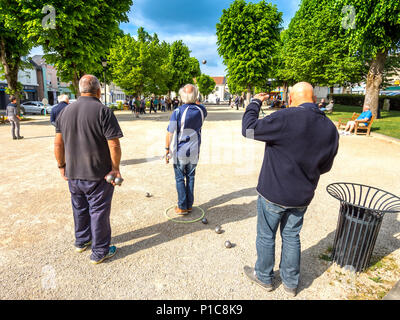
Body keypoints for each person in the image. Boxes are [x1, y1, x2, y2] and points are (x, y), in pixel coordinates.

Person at [242, 82, 339, 296]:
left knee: (267, 235)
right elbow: (326, 166)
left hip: (274, 191)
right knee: (292, 236)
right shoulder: (330, 128)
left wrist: (255, 102)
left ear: (292, 99)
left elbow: (247, 129)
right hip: (302, 193)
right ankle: (290, 283)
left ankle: (265, 277)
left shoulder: (285, 117)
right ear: (313, 99)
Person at [54, 74, 123, 265]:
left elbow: (58, 145)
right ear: (99, 90)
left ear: (80, 90)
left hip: (74, 172)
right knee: (98, 211)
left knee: (79, 208)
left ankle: (82, 241)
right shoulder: (103, 111)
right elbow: (114, 145)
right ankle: (100, 251)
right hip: (98, 173)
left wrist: (62, 166)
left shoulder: (64, 112)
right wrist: (115, 168)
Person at [165, 84, 207, 215]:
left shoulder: (177, 112)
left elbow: (170, 132)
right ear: (195, 96)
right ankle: (189, 205)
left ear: (182, 97)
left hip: (181, 150)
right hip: (195, 150)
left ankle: (182, 206)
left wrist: (167, 149)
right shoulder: (202, 110)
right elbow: (199, 104)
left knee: (179, 178)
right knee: (191, 177)